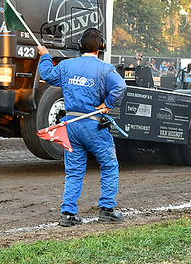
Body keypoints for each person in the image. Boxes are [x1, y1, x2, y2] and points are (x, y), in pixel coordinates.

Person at [37, 28, 127, 227]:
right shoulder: (104, 69)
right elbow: (120, 87)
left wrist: (44, 56)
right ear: (100, 47)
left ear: (79, 46)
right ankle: (106, 210)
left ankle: (68, 214)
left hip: (71, 126)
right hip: (93, 125)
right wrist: (107, 104)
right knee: (109, 165)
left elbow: (47, 75)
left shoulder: (67, 65)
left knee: (75, 171)